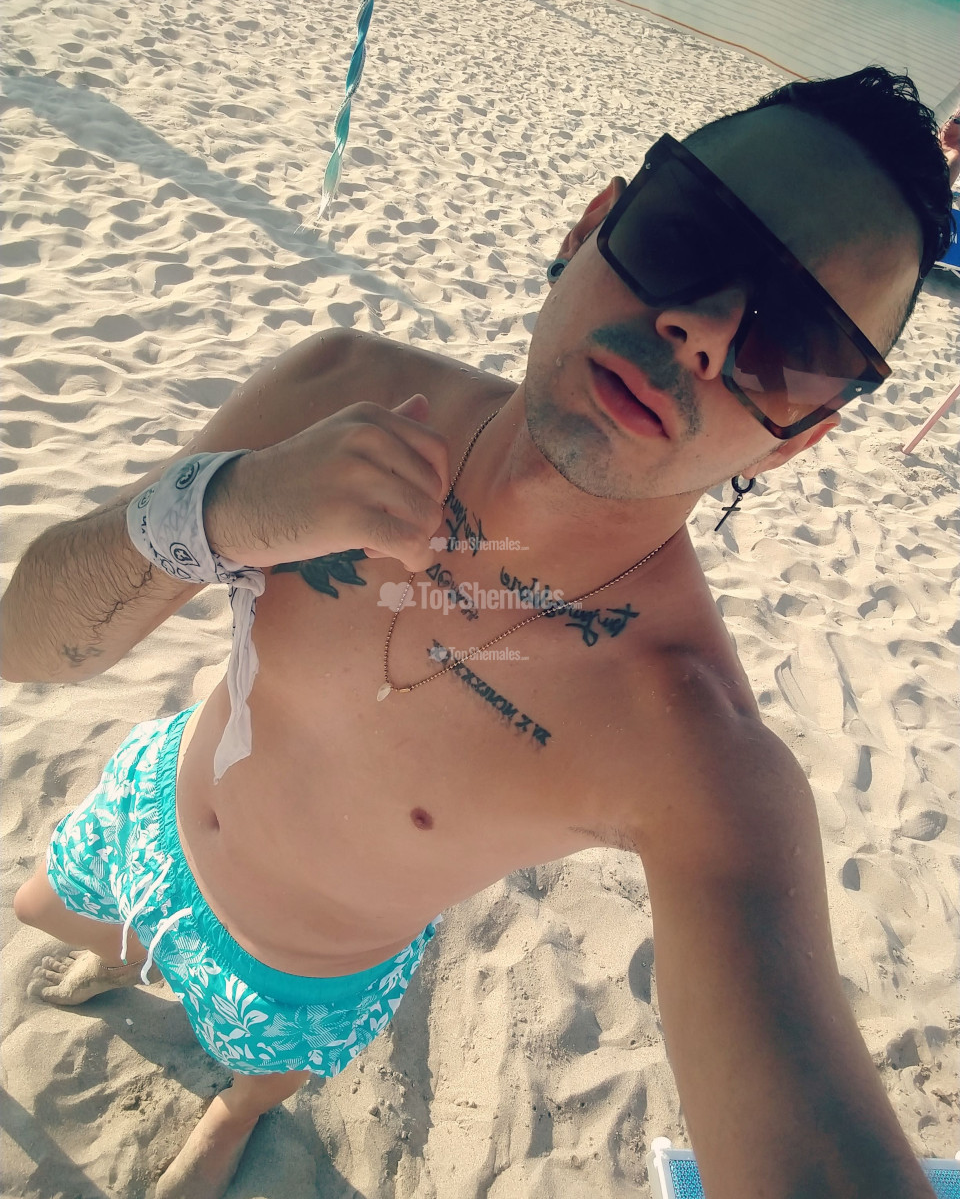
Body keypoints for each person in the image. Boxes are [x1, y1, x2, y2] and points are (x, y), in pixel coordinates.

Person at [3, 66, 953, 1199]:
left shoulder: (692, 748)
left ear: (797, 438)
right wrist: (220, 510)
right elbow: (25, 644)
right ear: (591, 226)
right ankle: (129, 964)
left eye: (794, 341)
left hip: (303, 975)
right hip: (149, 823)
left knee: (258, 1076)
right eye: (692, 234)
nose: (702, 330)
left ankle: (233, 1115)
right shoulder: (335, 386)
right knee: (38, 913)